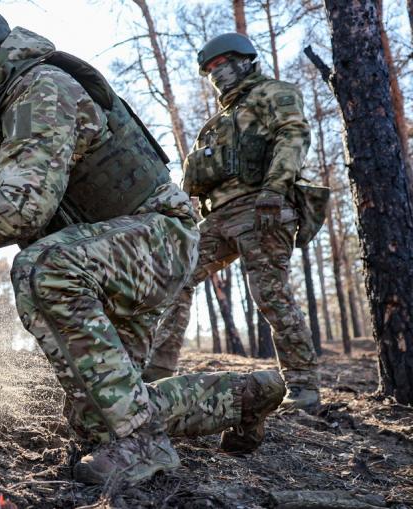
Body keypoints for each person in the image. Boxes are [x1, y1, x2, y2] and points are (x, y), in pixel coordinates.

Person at [0, 7, 285, 484]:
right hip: (115, 254)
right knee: (99, 418)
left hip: (157, 239)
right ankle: (250, 395)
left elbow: (23, 208)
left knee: (41, 267)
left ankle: (143, 445)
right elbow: (22, 203)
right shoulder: (4, 114)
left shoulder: (39, 88)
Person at [149, 33, 321, 411]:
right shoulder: (217, 122)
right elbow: (194, 178)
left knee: (270, 294)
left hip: (263, 208)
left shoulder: (272, 93)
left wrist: (275, 191)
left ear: (245, 60)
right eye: (210, 69)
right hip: (219, 217)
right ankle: (155, 373)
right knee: (177, 277)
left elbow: (292, 135)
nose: (217, 74)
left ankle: (304, 388)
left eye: (222, 64)